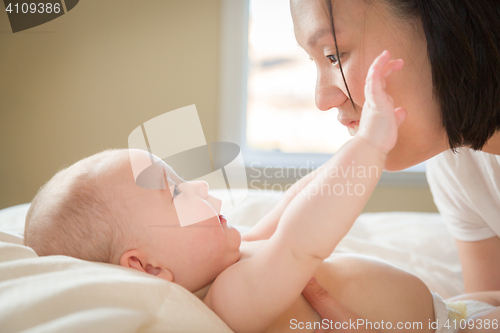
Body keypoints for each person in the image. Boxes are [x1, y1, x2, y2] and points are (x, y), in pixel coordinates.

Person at [24, 51, 499, 333]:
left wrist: (353, 145)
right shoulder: (229, 299)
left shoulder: (238, 254)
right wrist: (371, 147)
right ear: (147, 266)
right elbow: (301, 240)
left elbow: (292, 204)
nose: (201, 185)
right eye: (175, 191)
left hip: (453, 311)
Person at [255, 0, 499, 331]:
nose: (323, 99)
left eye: (333, 55)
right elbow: (486, 305)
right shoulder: (460, 162)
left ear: (445, 18)